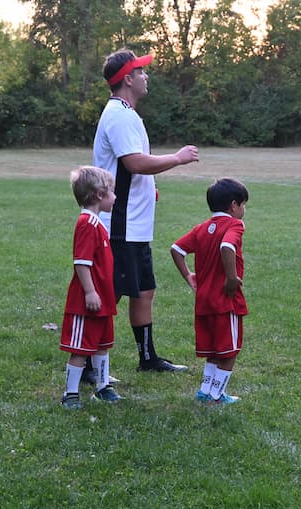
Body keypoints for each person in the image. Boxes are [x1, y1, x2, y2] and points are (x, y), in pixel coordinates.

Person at [90, 47, 199, 376]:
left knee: (143, 290)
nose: (145, 75)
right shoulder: (121, 115)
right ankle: (88, 365)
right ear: (127, 80)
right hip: (119, 225)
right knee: (110, 296)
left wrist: (145, 190)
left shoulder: (124, 112)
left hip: (134, 224)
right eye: (141, 72)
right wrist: (177, 158)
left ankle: (147, 358)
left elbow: (128, 169)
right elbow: (133, 162)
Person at [170, 178, 249, 405]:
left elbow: (176, 249)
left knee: (214, 350)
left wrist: (188, 276)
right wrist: (232, 278)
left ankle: (205, 391)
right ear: (234, 205)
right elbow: (227, 246)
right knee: (229, 352)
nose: (244, 210)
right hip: (226, 300)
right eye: (243, 205)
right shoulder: (235, 225)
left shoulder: (202, 228)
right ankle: (216, 396)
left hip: (204, 300)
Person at [59, 166, 122, 409]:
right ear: (99, 194)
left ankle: (102, 387)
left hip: (103, 300)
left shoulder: (97, 224)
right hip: (87, 302)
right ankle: (70, 394)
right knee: (80, 348)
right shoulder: (87, 224)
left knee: (102, 346)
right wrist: (89, 291)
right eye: (112, 192)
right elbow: (81, 263)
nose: (115, 197)